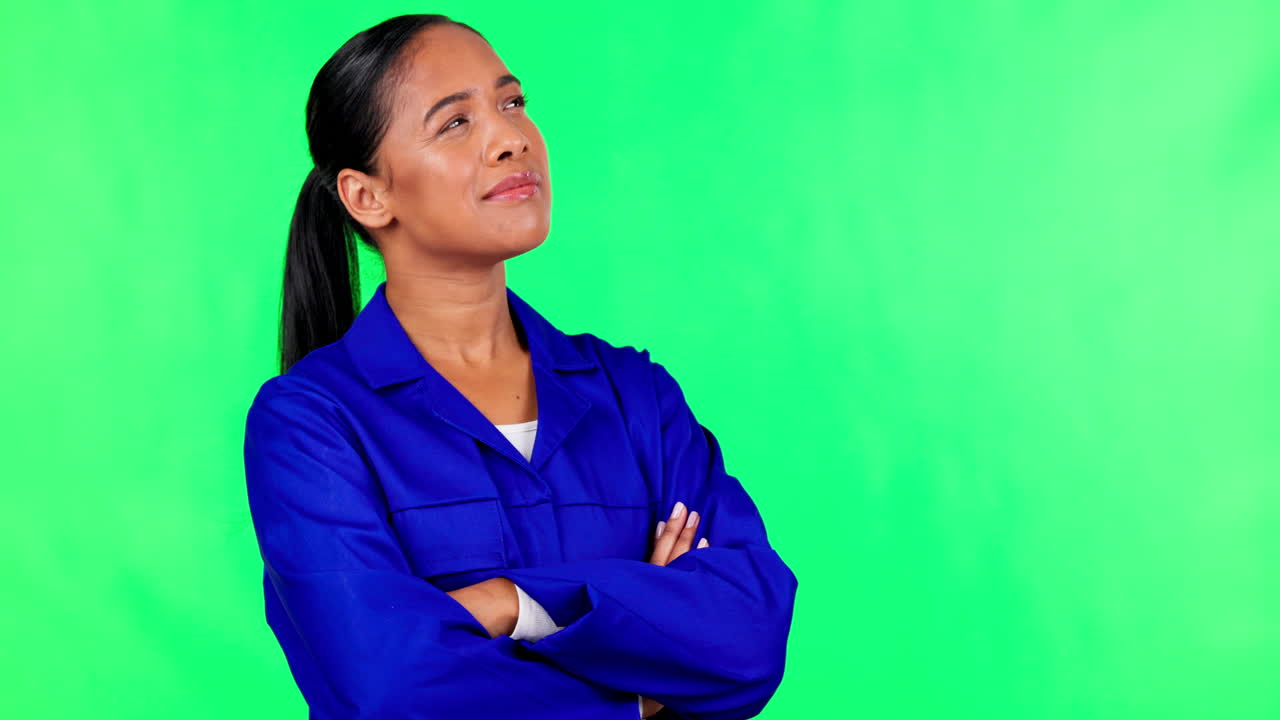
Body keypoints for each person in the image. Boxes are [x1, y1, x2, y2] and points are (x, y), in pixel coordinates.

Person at [242, 13, 798, 720]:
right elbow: (394, 689)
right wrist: (641, 682)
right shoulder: (312, 425)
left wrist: (513, 604)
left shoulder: (634, 397)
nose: (512, 138)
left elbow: (749, 634)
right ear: (367, 196)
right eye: (455, 123)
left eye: (511, 102)